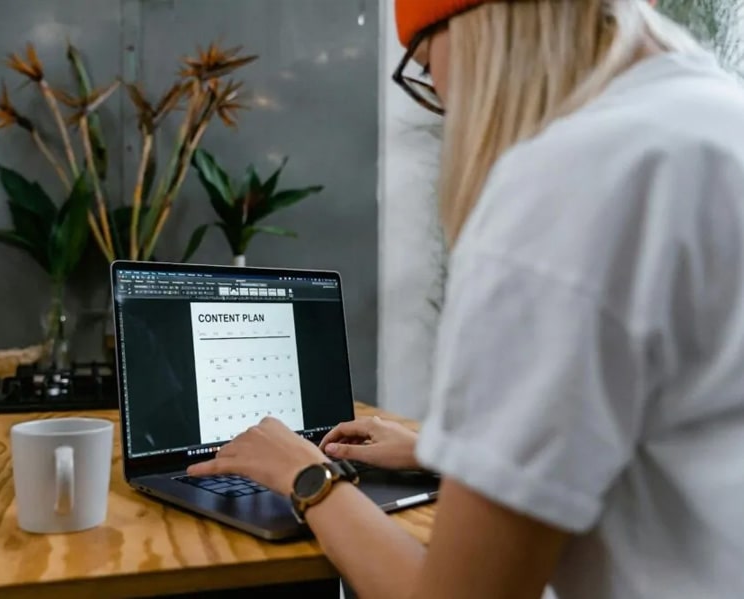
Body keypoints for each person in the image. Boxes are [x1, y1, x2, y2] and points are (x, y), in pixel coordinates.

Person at [188, 0, 744, 597]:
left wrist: (307, 476)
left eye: (425, 65)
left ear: (473, 28)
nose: (446, 104)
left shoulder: (568, 182)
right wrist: (445, 452)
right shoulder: (717, 118)